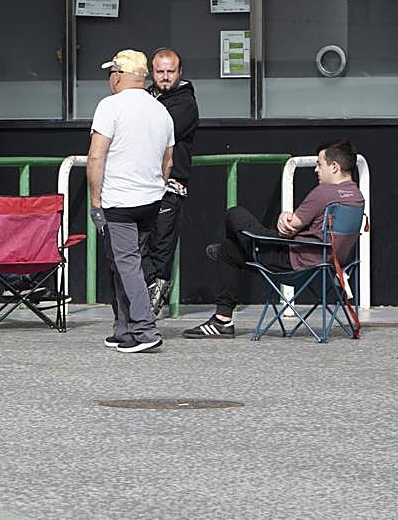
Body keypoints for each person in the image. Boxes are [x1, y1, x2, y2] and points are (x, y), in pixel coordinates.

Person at [185, 140, 364, 339]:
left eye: (320, 164)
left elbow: (290, 226)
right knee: (230, 251)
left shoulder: (323, 193)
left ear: (334, 167)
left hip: (293, 263)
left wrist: (283, 216)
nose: (316, 170)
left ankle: (222, 320)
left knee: (234, 215)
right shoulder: (357, 197)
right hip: (328, 268)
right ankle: (226, 270)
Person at [87, 49, 174, 354]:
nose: (110, 79)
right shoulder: (161, 111)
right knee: (122, 261)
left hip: (119, 201)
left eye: (112, 73)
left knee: (126, 264)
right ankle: (123, 330)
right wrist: (157, 188)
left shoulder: (110, 106)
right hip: (150, 200)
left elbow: (96, 155)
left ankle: (145, 329)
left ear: (119, 76)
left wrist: (95, 201)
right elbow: (168, 161)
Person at [141, 48, 199, 315]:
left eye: (170, 71)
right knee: (134, 243)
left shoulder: (186, 103)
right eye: (160, 71)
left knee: (161, 247)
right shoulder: (146, 97)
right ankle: (147, 296)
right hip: (140, 184)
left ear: (180, 72)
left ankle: (153, 300)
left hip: (170, 185)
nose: (164, 77)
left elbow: (160, 131)